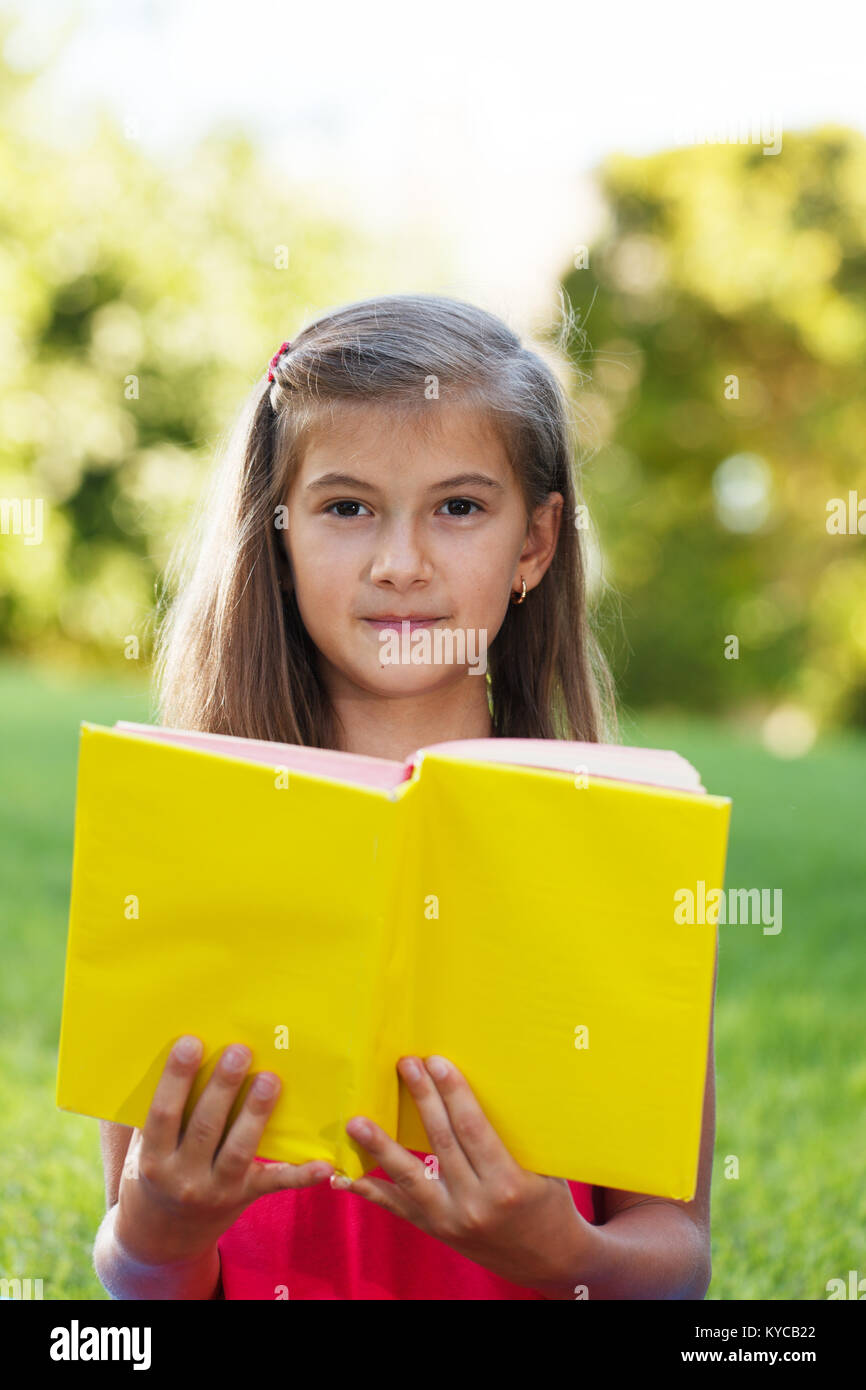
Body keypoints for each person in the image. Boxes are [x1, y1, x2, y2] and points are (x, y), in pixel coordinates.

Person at [92, 292, 715, 1300]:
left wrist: (561, 1256)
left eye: (457, 507)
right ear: (279, 529)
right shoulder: (185, 831)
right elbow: (133, 1279)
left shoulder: (623, 850)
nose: (399, 564)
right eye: (347, 507)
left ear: (534, 542)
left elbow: (675, 1265)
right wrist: (159, 1234)